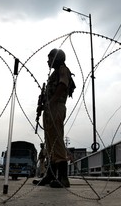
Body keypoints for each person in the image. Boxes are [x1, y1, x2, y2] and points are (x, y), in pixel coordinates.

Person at [33, 48, 72, 188]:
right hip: (50, 109)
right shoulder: (54, 74)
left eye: (50, 58)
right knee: (50, 143)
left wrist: (52, 101)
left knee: (57, 140)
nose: (48, 61)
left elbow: (63, 85)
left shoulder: (63, 69)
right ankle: (50, 175)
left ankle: (63, 178)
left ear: (57, 59)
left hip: (56, 107)